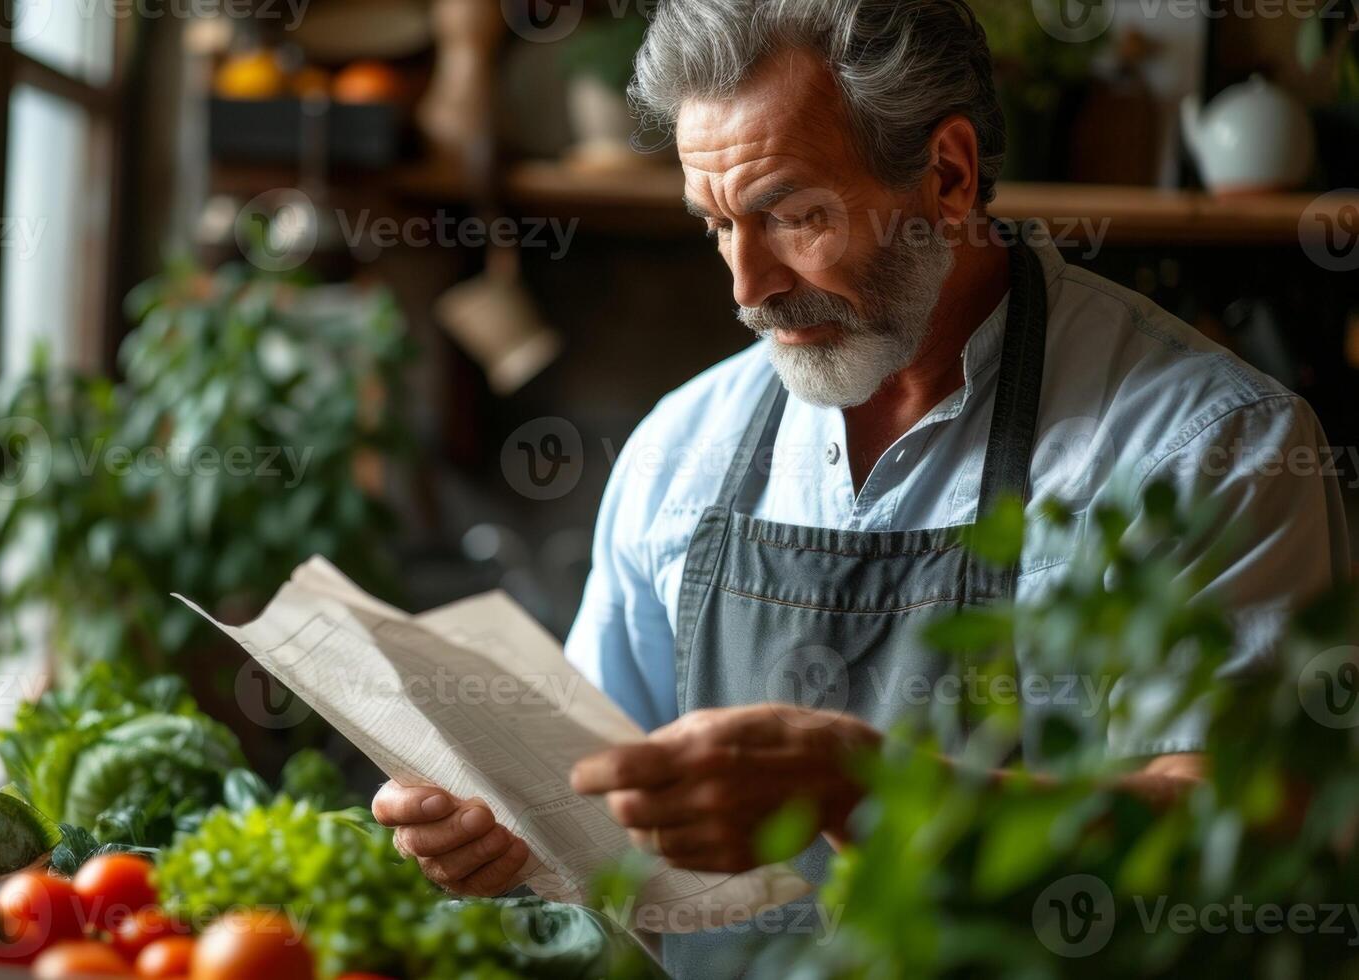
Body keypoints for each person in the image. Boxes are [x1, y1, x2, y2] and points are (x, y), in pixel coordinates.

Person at [374, 1, 1351, 975]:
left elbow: (1249, 833)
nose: (747, 287)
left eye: (796, 216)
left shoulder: (1205, 445)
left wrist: (865, 789)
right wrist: (501, 828)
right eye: (718, 224)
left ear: (950, 176)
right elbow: (591, 785)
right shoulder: (682, 448)